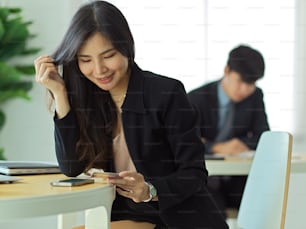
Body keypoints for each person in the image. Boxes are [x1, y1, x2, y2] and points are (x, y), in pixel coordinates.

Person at [34, 1, 228, 228]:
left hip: (173, 219)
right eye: (85, 60)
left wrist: (150, 189)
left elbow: (194, 174)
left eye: (108, 55)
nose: (99, 70)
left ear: (126, 47)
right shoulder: (91, 100)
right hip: (122, 218)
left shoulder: (166, 93)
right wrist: (59, 94)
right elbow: (71, 167)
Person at [188, 45, 270, 216]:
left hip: (236, 179)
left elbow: (264, 137)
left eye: (252, 84)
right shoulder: (197, 98)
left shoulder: (255, 97)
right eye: (241, 81)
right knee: (211, 208)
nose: (245, 89)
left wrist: (239, 143)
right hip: (205, 179)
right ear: (226, 70)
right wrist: (217, 147)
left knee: (262, 204)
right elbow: (187, 142)